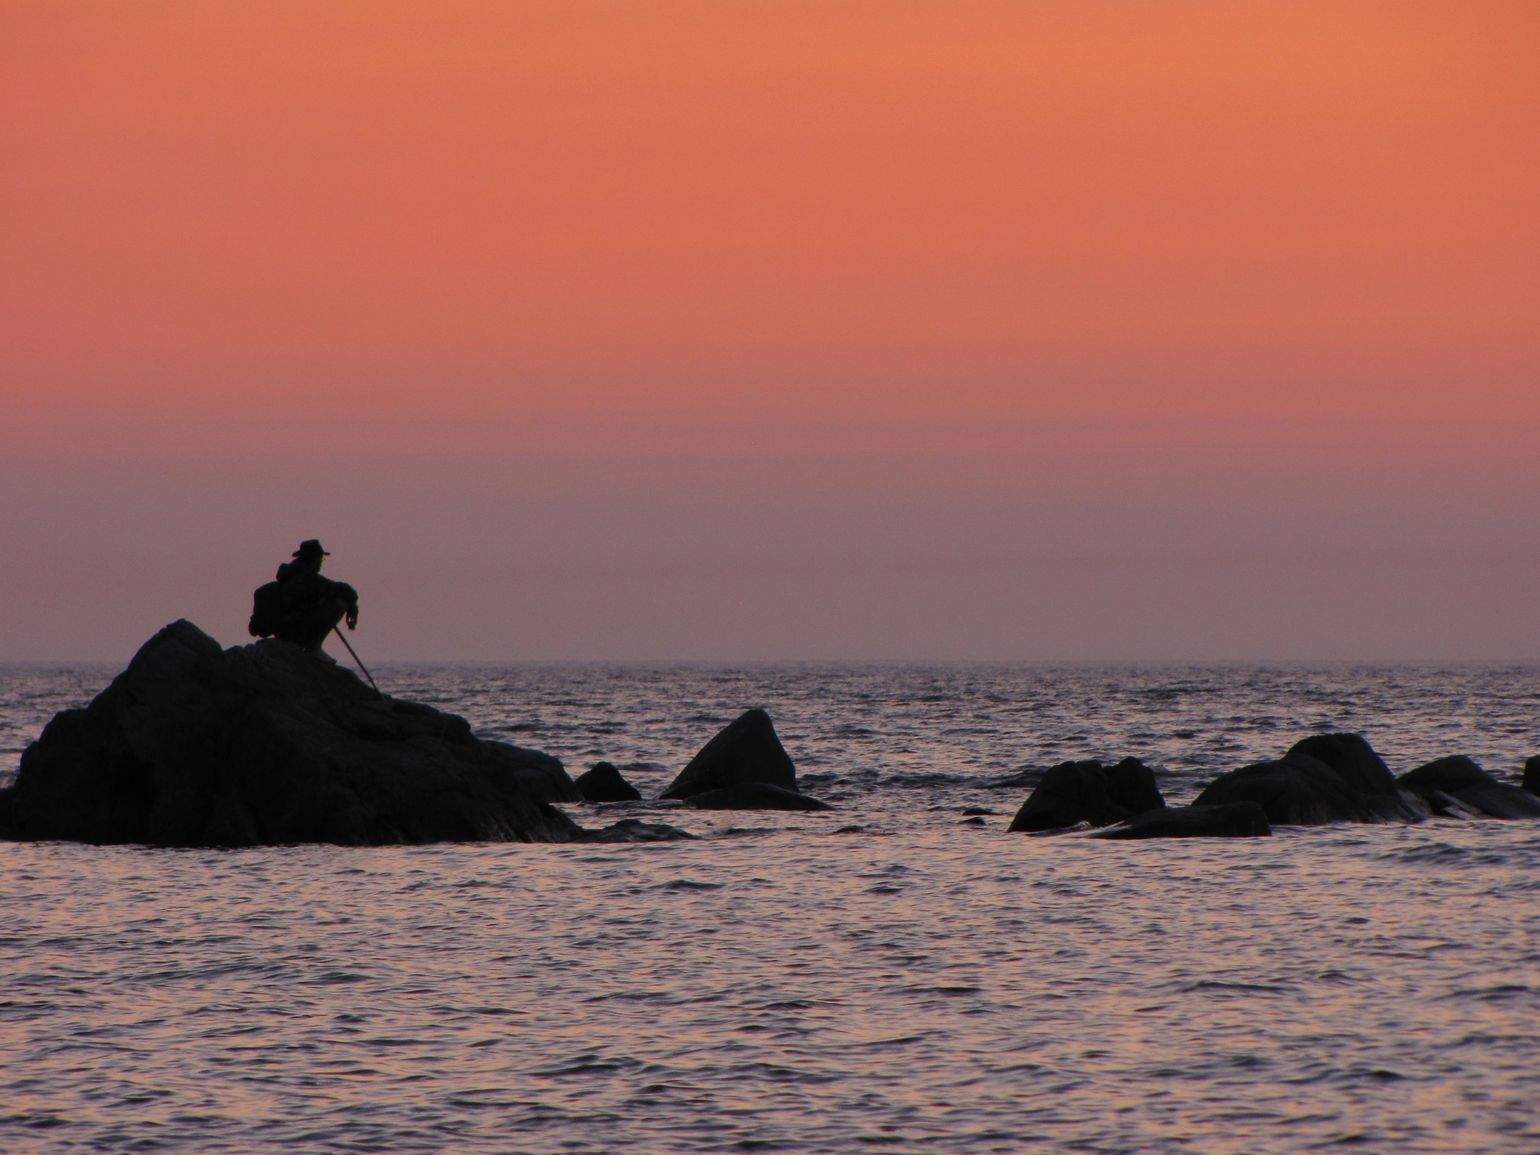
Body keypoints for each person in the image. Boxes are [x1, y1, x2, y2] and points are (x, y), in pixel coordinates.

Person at [249, 540, 360, 651]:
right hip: (294, 632)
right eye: (320, 559)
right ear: (313, 560)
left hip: (282, 631)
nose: (321, 563)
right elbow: (347, 591)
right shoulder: (310, 580)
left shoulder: (286, 579)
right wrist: (352, 607)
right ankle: (314, 646)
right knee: (340, 602)